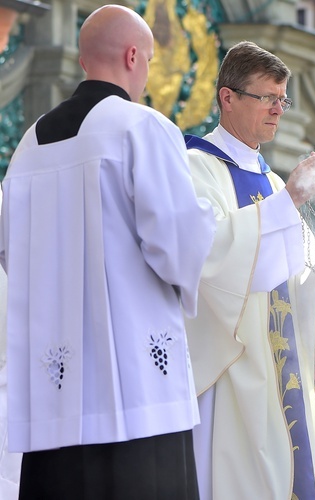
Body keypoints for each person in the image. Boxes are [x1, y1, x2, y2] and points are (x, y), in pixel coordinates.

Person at [0, 5, 216, 499]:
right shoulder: (143, 128)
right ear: (133, 55)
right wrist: (208, 218)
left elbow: (12, 253)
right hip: (136, 391)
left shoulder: (27, 147)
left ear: (82, 62)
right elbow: (177, 245)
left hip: (55, 396)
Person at [184, 41, 315, 500]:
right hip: (231, 366)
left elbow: (285, 284)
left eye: (282, 99)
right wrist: (291, 202)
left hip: (279, 367)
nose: (278, 110)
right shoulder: (196, 168)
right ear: (228, 97)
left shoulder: (272, 180)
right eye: (267, 97)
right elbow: (208, 260)